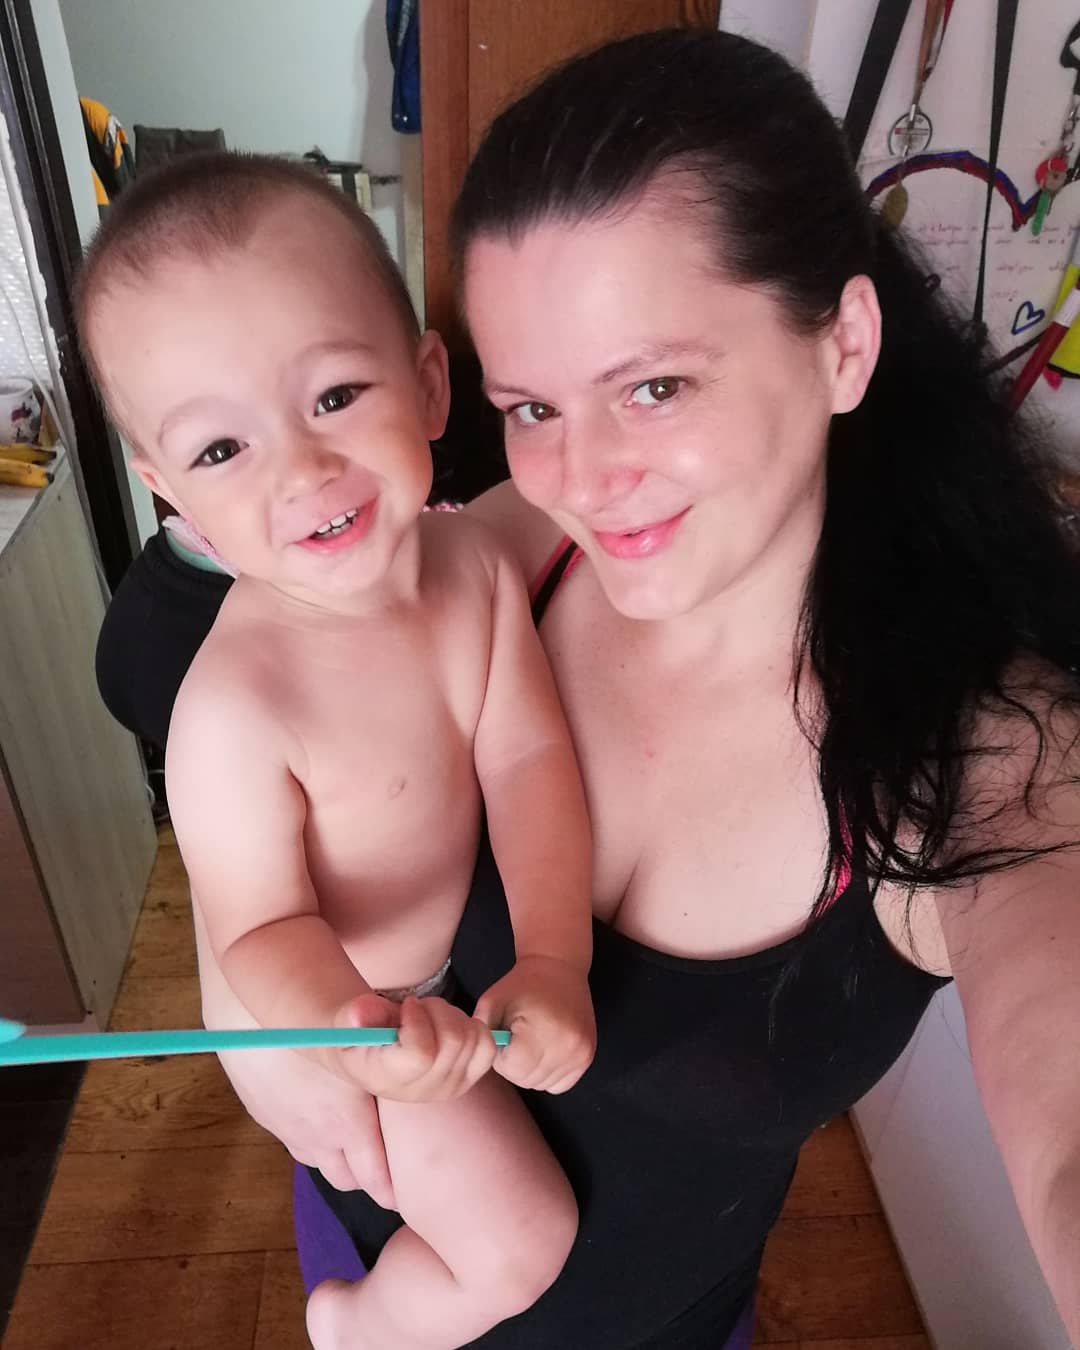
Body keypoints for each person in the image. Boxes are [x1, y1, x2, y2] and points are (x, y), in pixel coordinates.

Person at [93, 28, 1080, 1350]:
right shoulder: (513, 548)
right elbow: (227, 731)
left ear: (844, 343)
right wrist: (250, 1025)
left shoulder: (989, 755)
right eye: (532, 407)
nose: (586, 476)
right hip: (372, 1239)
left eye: (654, 385)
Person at [75, 151, 597, 1350]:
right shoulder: (235, 707)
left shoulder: (474, 568)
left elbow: (527, 762)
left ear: (429, 383)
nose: (302, 471)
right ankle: (357, 1328)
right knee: (524, 1242)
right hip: (361, 1015)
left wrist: (555, 957)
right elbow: (260, 930)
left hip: (454, 977)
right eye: (221, 451)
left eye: (334, 396)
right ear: (170, 496)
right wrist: (353, 1033)